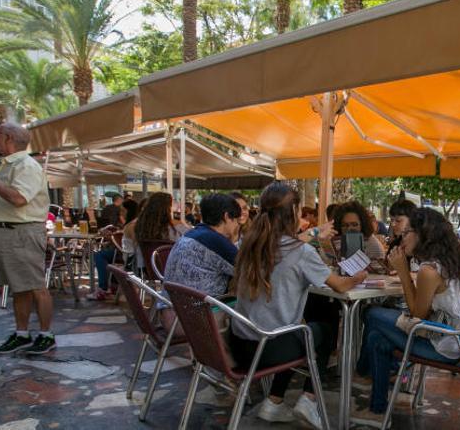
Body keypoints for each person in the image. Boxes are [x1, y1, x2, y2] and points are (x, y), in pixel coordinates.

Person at [229, 182, 365, 428]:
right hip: (268, 350)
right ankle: (309, 399)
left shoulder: (248, 243)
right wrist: (358, 276)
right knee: (324, 328)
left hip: (239, 344)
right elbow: (341, 287)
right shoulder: (301, 251)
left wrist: (312, 235)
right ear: (293, 212)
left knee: (299, 328)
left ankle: (275, 401)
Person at [353, 208, 460, 425]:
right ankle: (377, 409)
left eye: (406, 233)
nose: (401, 239)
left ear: (423, 235)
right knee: (378, 338)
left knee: (371, 314)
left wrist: (403, 272)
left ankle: (363, 372)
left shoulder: (429, 270)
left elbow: (417, 315)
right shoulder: (454, 261)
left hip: (448, 347)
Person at [0, 123, 55, 355]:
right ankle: (22, 333)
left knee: (36, 286)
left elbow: (20, 198)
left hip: (22, 232)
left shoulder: (26, 166)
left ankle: (46, 334)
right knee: (19, 287)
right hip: (8, 232)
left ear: (9, 138)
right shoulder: (10, 165)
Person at [159, 193, 241, 332]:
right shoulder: (216, 242)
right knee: (252, 307)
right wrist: (233, 240)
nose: (237, 225)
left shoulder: (192, 234)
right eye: (237, 221)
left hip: (169, 312)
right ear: (227, 216)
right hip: (190, 319)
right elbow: (253, 273)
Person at [134, 192, 190, 272]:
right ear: (168, 207)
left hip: (150, 270)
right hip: (175, 270)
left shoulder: (142, 226)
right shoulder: (177, 227)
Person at [331, 201, 386, 272]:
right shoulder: (339, 241)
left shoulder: (371, 244)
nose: (349, 229)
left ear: (362, 224)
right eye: (345, 225)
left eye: (354, 224)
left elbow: (378, 272)